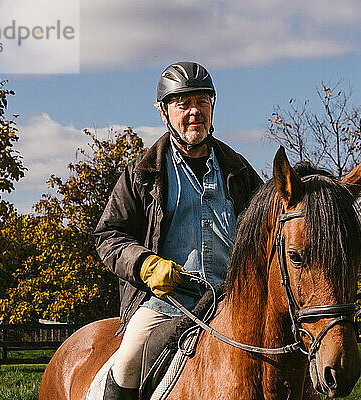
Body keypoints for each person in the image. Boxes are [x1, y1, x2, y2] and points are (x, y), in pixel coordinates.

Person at [94, 61, 263, 400]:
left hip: (234, 302)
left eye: (202, 101)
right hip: (168, 302)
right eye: (182, 103)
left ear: (212, 108)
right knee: (128, 361)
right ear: (164, 113)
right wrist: (144, 264)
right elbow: (108, 235)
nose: (193, 112)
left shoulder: (240, 171)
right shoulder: (142, 172)